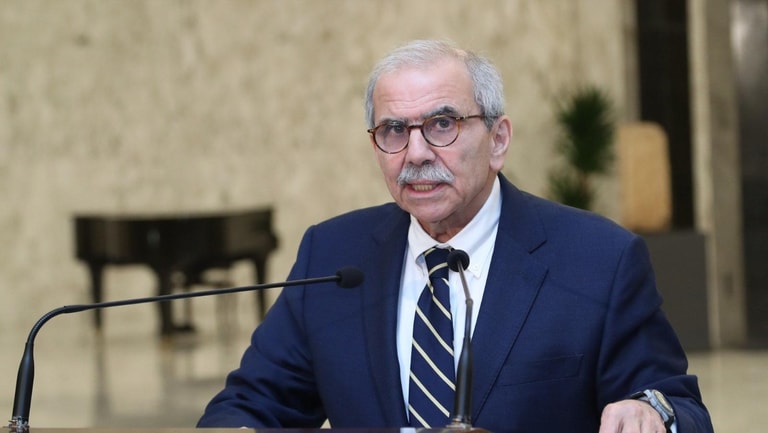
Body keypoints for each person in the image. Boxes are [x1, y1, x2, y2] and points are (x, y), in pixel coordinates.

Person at [197, 39, 713, 433]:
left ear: (498, 140)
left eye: (442, 124)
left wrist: (651, 412)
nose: (416, 153)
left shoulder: (598, 258)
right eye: (394, 130)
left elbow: (678, 405)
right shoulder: (333, 255)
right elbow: (251, 404)